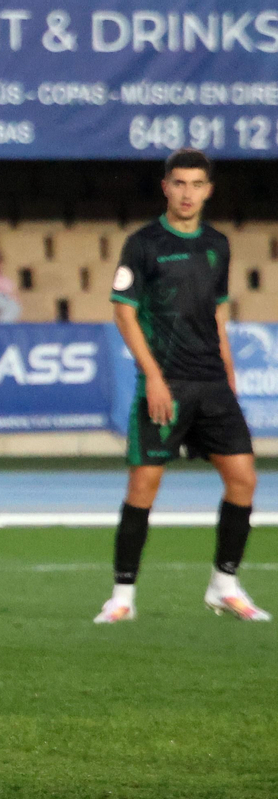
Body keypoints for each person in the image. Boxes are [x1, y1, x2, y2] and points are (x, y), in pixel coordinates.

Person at [95, 149, 267, 624]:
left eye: (196, 184)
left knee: (243, 480)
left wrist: (228, 373)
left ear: (208, 190)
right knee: (144, 485)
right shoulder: (143, 243)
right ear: (165, 187)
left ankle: (224, 584)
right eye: (179, 184)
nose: (187, 193)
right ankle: (122, 596)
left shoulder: (217, 244)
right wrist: (153, 376)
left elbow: (217, 312)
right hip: (165, 383)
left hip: (211, 383)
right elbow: (124, 312)